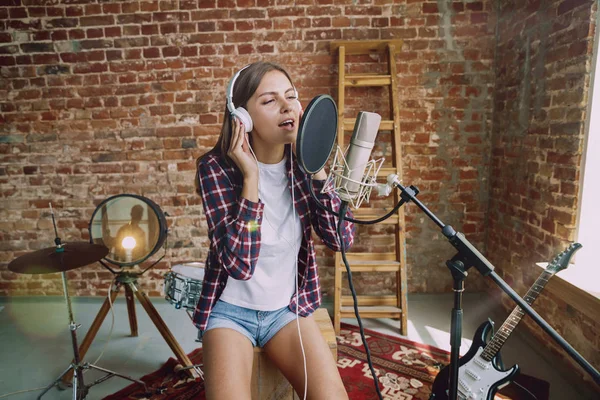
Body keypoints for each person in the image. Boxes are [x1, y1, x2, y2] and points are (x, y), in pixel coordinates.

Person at [193, 61, 355, 400]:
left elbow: (342, 238)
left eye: (291, 97)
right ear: (243, 119)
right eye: (269, 100)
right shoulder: (217, 169)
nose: (287, 107)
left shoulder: (303, 168)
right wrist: (251, 179)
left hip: (287, 309)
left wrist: (317, 168)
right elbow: (240, 263)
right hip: (229, 312)